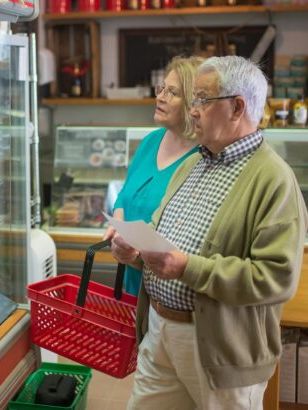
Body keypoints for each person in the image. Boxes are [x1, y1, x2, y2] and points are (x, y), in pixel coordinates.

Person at [110, 55, 308, 409]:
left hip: (220, 350)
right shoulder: (193, 162)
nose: (193, 110)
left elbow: (276, 278)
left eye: (202, 99)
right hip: (159, 332)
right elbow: (160, 231)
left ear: (237, 108)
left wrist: (187, 267)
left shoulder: (273, 179)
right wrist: (135, 252)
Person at [104, 56, 204, 295]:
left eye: (172, 92)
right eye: (162, 89)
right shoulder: (151, 141)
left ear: (194, 103)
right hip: (133, 282)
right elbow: (125, 195)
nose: (160, 97)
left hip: (170, 290)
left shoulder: (203, 156)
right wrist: (119, 228)